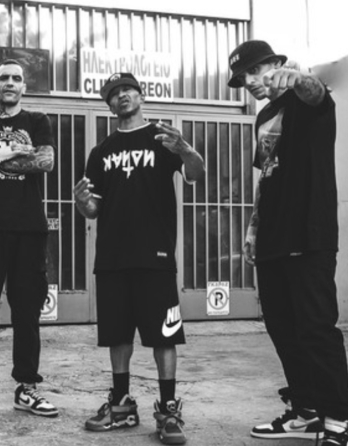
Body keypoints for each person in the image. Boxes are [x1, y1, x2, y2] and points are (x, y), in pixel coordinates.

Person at [229, 40, 348, 446]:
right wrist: (253, 229)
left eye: (255, 70)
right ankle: (305, 411)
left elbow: (316, 94)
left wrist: (300, 78)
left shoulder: (307, 99)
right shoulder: (264, 116)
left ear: (276, 63)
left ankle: (338, 420)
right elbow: (266, 176)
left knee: (315, 328)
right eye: (242, 77)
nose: (249, 81)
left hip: (308, 232)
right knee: (283, 329)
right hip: (272, 237)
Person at [74, 72, 205, 445]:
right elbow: (94, 208)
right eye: (114, 94)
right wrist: (82, 203)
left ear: (140, 95)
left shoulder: (163, 138)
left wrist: (185, 149)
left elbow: (196, 173)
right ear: (109, 105)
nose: (121, 96)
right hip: (112, 257)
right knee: (117, 334)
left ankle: (168, 409)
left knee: (165, 334)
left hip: (155, 255)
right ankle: (121, 404)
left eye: (127, 90)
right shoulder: (101, 152)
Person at [0, 59, 58, 417]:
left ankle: (26, 387)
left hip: (29, 228)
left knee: (27, 311)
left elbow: (45, 162)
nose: (10, 83)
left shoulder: (37, 121)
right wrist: (13, 153)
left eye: (17, 78)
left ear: (24, 87)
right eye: (4, 78)